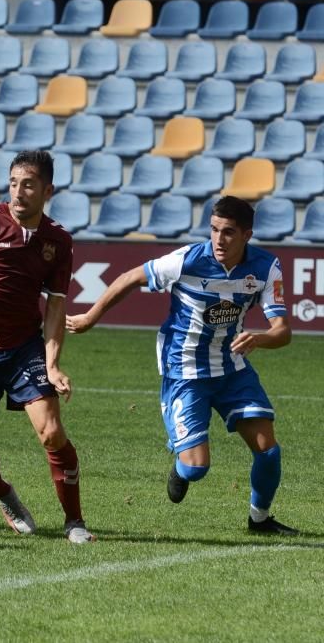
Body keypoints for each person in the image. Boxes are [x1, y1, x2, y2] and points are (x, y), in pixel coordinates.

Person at [66, 196, 297, 535]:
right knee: (197, 469)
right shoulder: (187, 259)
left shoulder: (265, 267)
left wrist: (259, 338)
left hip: (233, 369)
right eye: (214, 230)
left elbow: (283, 332)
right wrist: (89, 317)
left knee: (268, 450)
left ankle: (259, 519)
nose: (219, 239)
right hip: (185, 371)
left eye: (229, 232)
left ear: (247, 235)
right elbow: (131, 277)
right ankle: (181, 466)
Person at [0, 150, 94, 544]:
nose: (18, 192)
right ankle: (6, 496)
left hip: (24, 346)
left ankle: (74, 521)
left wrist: (53, 362)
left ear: (47, 191)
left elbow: (56, 303)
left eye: (27, 185)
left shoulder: (58, 240)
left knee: (52, 432)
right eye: (13, 183)